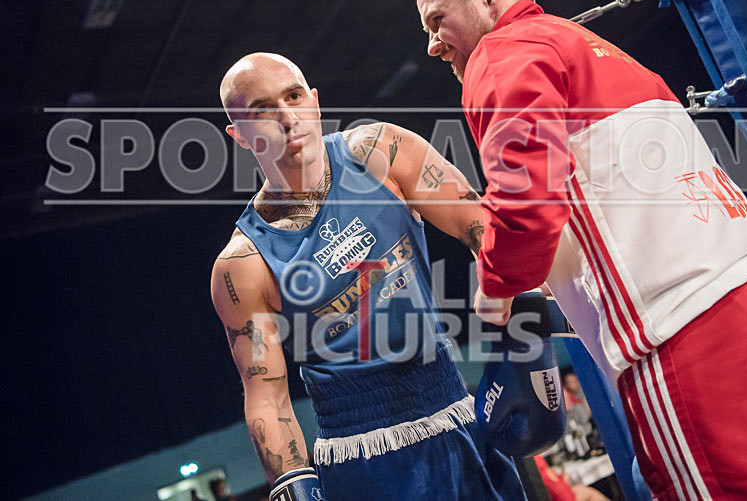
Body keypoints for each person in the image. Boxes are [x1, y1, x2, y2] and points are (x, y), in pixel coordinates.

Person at [410, 0, 747, 500]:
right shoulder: (593, 47)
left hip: (684, 338)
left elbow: (527, 195)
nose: (432, 46)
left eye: (437, 20)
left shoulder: (500, 53)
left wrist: (497, 286)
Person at [210, 52, 529, 500]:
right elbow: (267, 396)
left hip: (456, 413)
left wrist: (528, 338)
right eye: (261, 111)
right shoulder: (243, 264)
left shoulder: (380, 152)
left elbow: (478, 225)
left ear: (315, 101)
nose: (286, 118)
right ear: (239, 135)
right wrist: (291, 484)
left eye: (294, 96)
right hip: (361, 460)